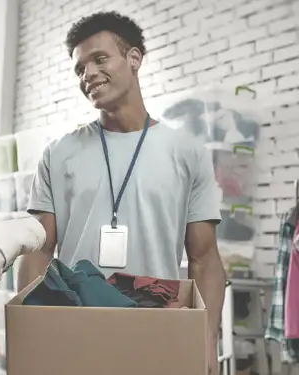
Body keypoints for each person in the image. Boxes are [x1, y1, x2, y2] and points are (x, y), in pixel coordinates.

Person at [17, 11, 226, 375]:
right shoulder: (59, 153)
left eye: (99, 59)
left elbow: (205, 259)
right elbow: (39, 251)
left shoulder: (187, 153)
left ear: (134, 59)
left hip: (157, 326)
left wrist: (205, 338)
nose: (89, 75)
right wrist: (25, 335)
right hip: (74, 327)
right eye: (80, 69)